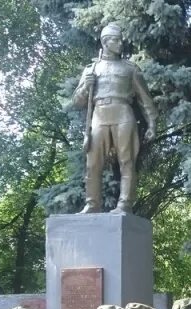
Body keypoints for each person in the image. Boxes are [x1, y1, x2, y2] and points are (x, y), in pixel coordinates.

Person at [71, 23, 159, 214]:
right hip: (99, 115)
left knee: (126, 161)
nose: (121, 43)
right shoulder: (91, 69)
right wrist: (86, 86)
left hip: (123, 114)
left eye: (121, 39)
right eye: (116, 40)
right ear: (105, 42)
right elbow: (77, 101)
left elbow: (145, 99)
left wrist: (152, 123)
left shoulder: (130, 69)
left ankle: (125, 204)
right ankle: (92, 204)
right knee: (93, 163)